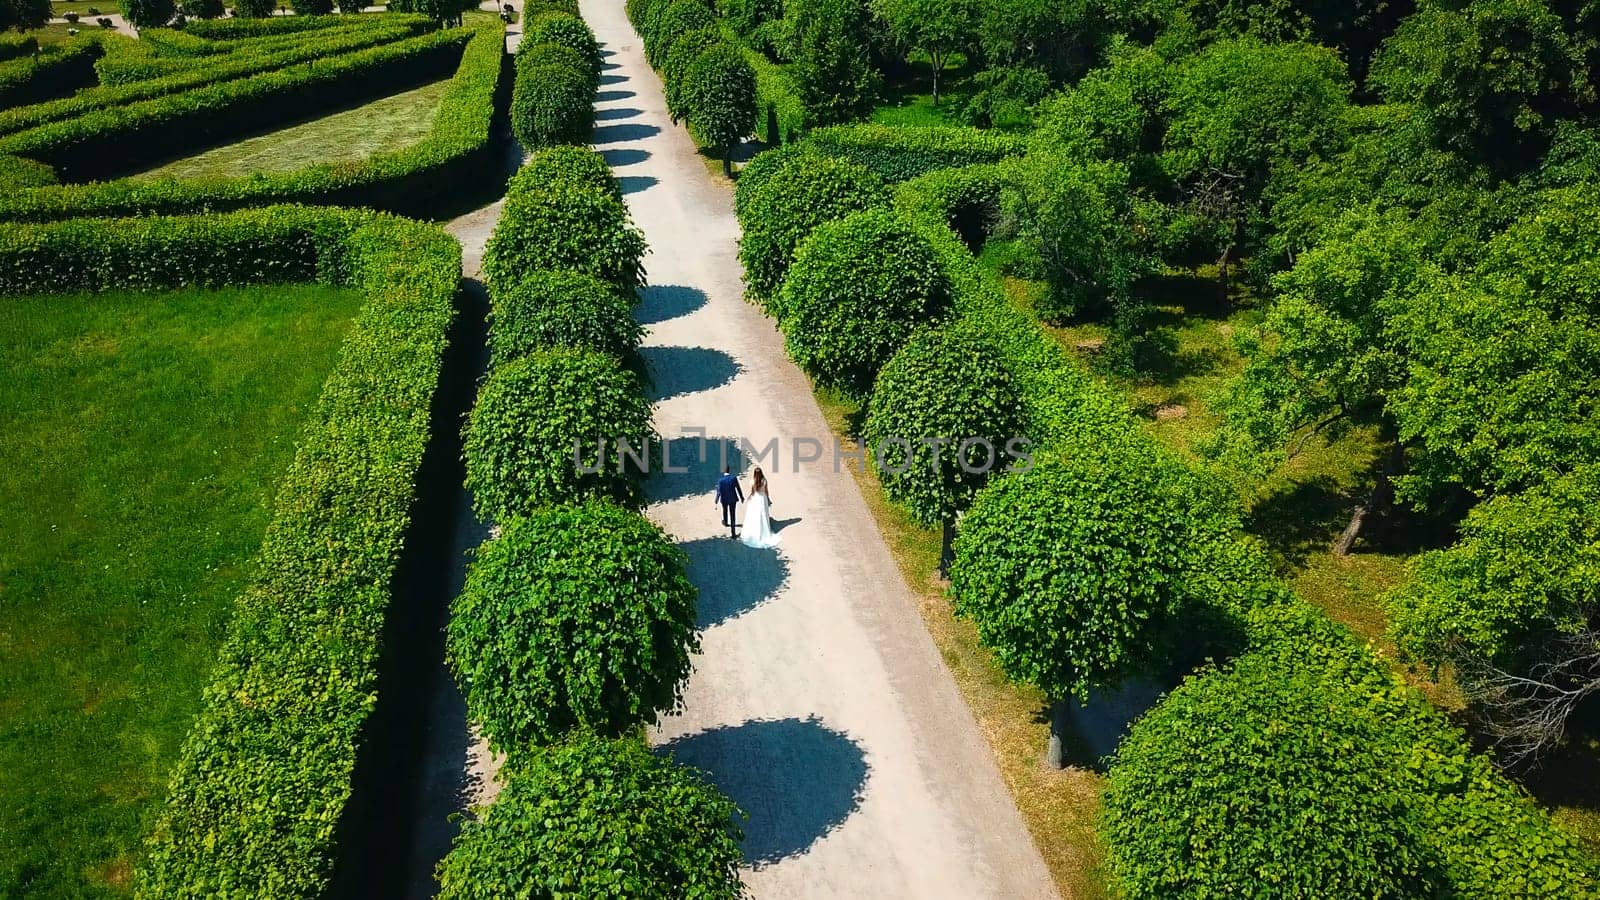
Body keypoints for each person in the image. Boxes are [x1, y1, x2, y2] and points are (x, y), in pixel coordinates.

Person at [741, 467, 779, 549]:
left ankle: (755, 530)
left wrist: (749, 497)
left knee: (754, 514)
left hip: (756, 498)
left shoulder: (752, 481)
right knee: (763, 514)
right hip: (762, 498)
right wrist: (768, 498)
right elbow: (766, 491)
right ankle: (764, 530)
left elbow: (752, 492)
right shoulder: (764, 480)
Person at [715, 466, 743, 538]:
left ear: (723, 471)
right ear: (729, 470)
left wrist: (716, 500)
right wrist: (741, 497)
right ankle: (733, 533)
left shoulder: (720, 480)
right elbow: (738, 488)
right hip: (733, 499)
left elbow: (719, 491)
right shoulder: (733, 478)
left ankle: (726, 522)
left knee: (725, 510)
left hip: (724, 499)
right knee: (732, 514)